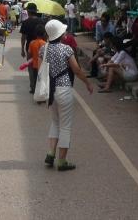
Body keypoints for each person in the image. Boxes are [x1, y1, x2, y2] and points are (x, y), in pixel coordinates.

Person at [41, 20, 93, 171]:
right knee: (65, 126)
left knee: (55, 122)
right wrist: (88, 83)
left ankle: (50, 154)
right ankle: (62, 161)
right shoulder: (67, 49)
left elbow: (42, 70)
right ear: (60, 34)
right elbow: (76, 69)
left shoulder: (43, 49)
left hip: (50, 91)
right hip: (64, 89)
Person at [27, 25, 47, 94]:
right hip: (42, 66)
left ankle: (34, 90)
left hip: (34, 65)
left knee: (34, 79)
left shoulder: (32, 43)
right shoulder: (45, 44)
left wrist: (28, 62)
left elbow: (29, 54)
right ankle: (41, 93)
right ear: (44, 34)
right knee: (42, 80)